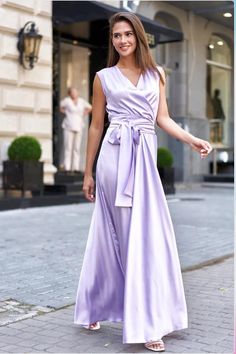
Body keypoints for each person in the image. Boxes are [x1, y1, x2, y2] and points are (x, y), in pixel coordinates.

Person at [74, 12, 213, 352]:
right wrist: (88, 172)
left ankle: (149, 319)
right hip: (114, 161)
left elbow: (162, 118)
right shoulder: (103, 77)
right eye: (116, 36)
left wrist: (191, 139)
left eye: (127, 34)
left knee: (149, 240)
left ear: (139, 37)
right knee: (113, 235)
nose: (121, 41)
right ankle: (100, 305)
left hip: (145, 167)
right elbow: (95, 126)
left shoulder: (157, 74)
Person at [60, 88, 92, 173]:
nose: (74, 93)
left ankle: (76, 167)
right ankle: (67, 167)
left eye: (75, 92)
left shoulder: (81, 101)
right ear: (70, 93)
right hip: (68, 125)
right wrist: (66, 113)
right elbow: (61, 107)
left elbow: (90, 107)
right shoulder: (67, 101)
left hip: (78, 126)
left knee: (77, 148)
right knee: (68, 147)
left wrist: (83, 114)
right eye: (72, 92)